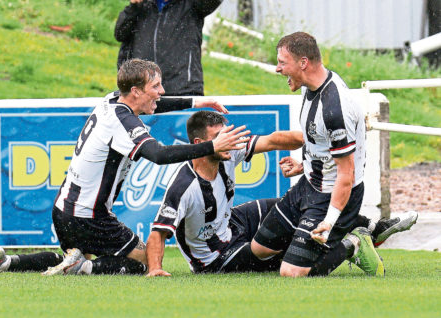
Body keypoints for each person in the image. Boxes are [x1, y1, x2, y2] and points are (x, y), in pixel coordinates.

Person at [0, 59, 249, 275]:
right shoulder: (123, 123)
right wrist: (213, 146)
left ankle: (5, 260)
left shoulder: (113, 99)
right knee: (147, 261)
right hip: (89, 215)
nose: (161, 92)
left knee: (70, 257)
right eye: (156, 86)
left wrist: (198, 101)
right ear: (135, 91)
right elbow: (159, 155)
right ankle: (83, 269)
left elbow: (154, 105)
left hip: (64, 208)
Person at [146, 111, 418, 276]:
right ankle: (354, 243)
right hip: (218, 257)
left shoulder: (228, 150)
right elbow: (158, 232)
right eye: (220, 135)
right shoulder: (184, 187)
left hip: (232, 223)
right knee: (290, 262)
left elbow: (274, 139)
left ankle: (374, 227)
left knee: (292, 207)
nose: (229, 139)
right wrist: (155, 268)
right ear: (199, 144)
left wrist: (323, 140)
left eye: (228, 133)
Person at [249, 31, 391, 277]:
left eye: (282, 63)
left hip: (333, 195)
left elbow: (346, 173)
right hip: (310, 184)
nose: (277, 69)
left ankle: (353, 243)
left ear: (303, 63)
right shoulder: (310, 86)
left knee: (291, 273)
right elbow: (316, 138)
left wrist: (330, 220)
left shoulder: (335, 108)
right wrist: (305, 163)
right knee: (260, 249)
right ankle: (310, 244)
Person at [114, 0, 222, 96]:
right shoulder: (141, 3)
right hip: (144, 91)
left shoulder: (193, 0)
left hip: (184, 90)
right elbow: (120, 34)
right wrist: (133, 8)